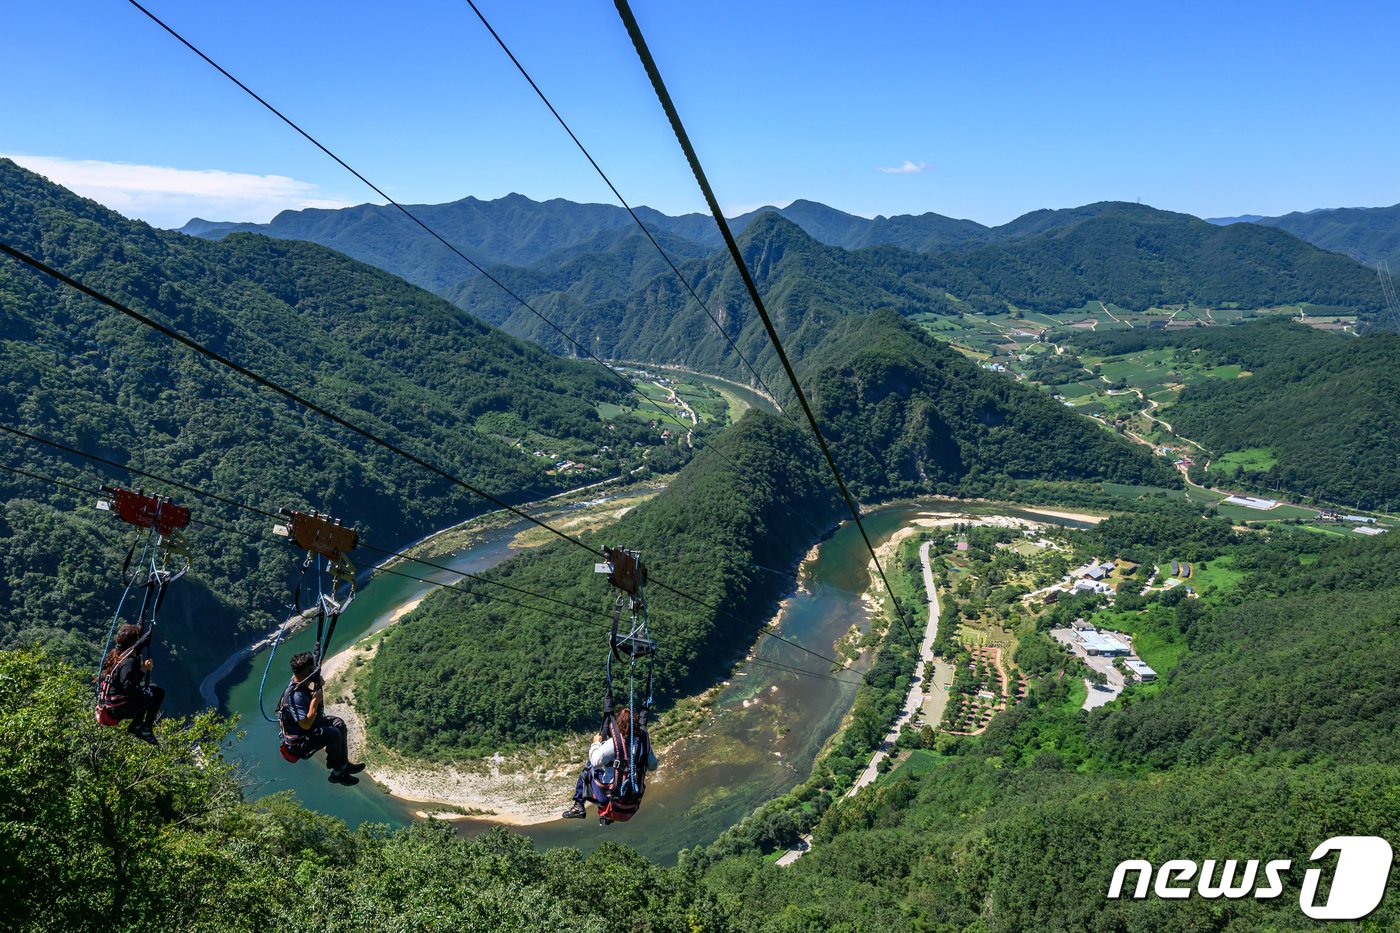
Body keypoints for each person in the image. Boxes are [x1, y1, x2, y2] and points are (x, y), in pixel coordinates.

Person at [278, 651, 365, 786]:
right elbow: (305, 725)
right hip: (300, 744)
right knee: (333, 734)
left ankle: (343, 764)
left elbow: (311, 675)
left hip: (307, 731)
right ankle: (338, 774)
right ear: (306, 672)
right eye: (312, 670)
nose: (315, 671)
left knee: (338, 724)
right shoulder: (295, 697)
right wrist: (315, 702)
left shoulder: (299, 678)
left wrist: (316, 677)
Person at [562, 704, 658, 820]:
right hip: (632, 799)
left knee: (589, 767)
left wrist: (596, 743)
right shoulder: (642, 744)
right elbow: (653, 766)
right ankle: (607, 817)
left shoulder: (615, 743)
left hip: (609, 796)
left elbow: (596, 761)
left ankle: (578, 805)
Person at [96, 622, 165, 744]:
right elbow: (128, 686)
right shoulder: (128, 661)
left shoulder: (116, 655)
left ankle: (138, 724)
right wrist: (143, 669)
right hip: (119, 709)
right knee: (157, 692)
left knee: (151, 689)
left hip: (109, 706)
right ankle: (145, 728)